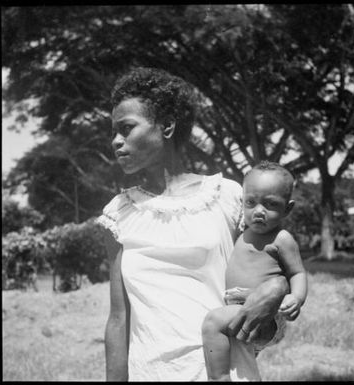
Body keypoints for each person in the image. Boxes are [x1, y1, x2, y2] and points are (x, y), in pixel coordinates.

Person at [96, 67, 290, 381]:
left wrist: (276, 292)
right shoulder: (119, 213)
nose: (116, 141)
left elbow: (265, 306)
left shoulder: (227, 197)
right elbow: (119, 320)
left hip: (224, 371)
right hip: (152, 373)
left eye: (127, 128)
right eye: (113, 131)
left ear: (168, 126)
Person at [202, 161, 308, 381]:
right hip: (240, 308)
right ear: (243, 203)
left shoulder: (281, 239)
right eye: (251, 202)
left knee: (213, 322)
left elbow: (298, 272)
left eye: (270, 204)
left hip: (266, 314)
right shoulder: (242, 233)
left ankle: (218, 377)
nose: (259, 211)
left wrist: (296, 298)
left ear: (287, 208)